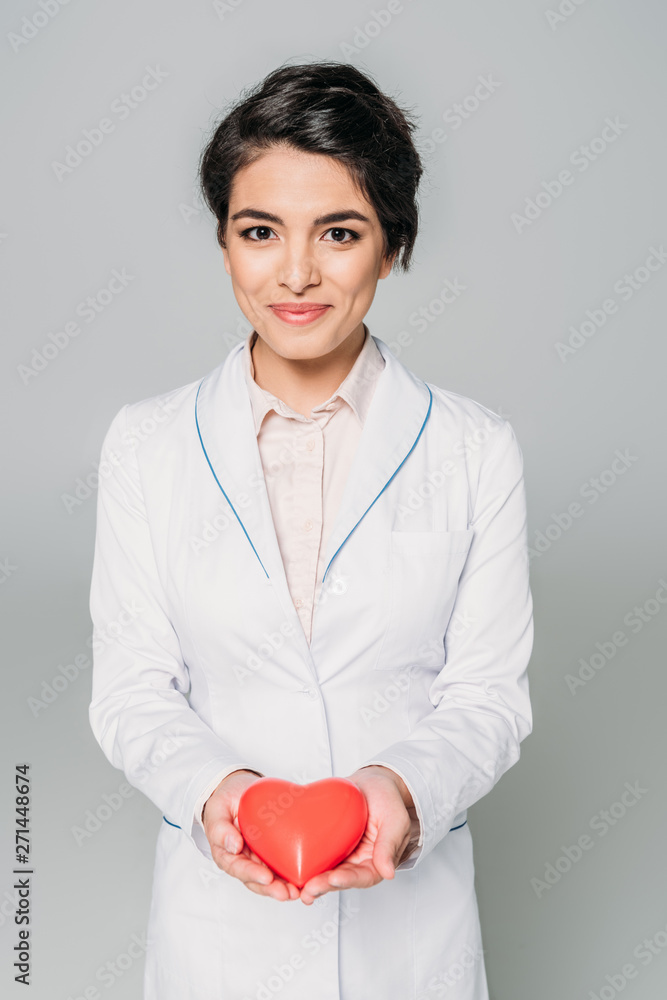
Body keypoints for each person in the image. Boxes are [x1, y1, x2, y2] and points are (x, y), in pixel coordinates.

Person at [88, 59, 534, 1000]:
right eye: (260, 231)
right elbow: (131, 691)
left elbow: (488, 698)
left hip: (410, 940)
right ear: (222, 242)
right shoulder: (145, 445)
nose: (296, 272)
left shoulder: (473, 448)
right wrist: (224, 795)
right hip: (220, 931)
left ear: (393, 247)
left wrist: (400, 791)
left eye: (339, 232)